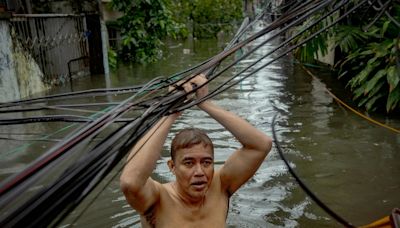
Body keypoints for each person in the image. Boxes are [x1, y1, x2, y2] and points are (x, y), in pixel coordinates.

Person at [120, 74, 272, 227]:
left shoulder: (220, 187)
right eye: (189, 163)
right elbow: (130, 182)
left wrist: (205, 103)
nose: (199, 171)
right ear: (172, 166)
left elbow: (261, 145)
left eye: (206, 162)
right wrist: (170, 114)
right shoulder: (157, 199)